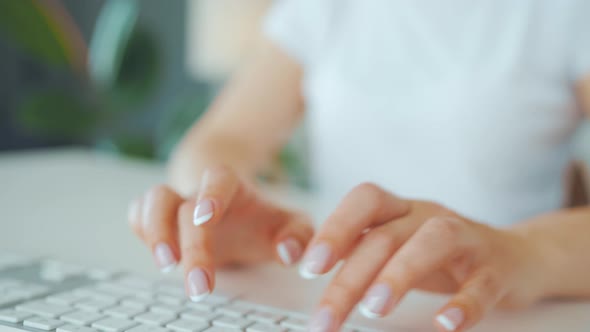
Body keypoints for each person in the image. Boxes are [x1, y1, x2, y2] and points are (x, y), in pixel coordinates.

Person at [126, 1, 590, 331]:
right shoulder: (325, 7)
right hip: (338, 309)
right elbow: (222, 138)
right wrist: (212, 207)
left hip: (510, 315)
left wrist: (523, 252)